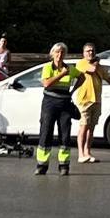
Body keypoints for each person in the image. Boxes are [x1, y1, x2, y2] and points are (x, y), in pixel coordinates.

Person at [75, 43, 110, 163]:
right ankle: (80, 154)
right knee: (84, 126)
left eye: (93, 51)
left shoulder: (99, 67)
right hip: (85, 100)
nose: (91, 53)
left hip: (96, 100)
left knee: (91, 128)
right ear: (83, 53)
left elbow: (109, 79)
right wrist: (97, 61)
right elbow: (91, 70)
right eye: (88, 51)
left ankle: (87, 152)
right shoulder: (82, 63)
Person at [35, 42, 84, 176]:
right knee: (46, 132)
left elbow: (82, 76)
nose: (60, 55)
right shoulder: (48, 67)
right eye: (57, 52)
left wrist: (73, 90)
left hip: (64, 103)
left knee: (65, 134)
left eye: (62, 52)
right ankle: (42, 165)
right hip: (49, 102)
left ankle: (64, 165)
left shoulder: (70, 68)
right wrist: (62, 74)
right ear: (53, 54)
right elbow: (46, 83)